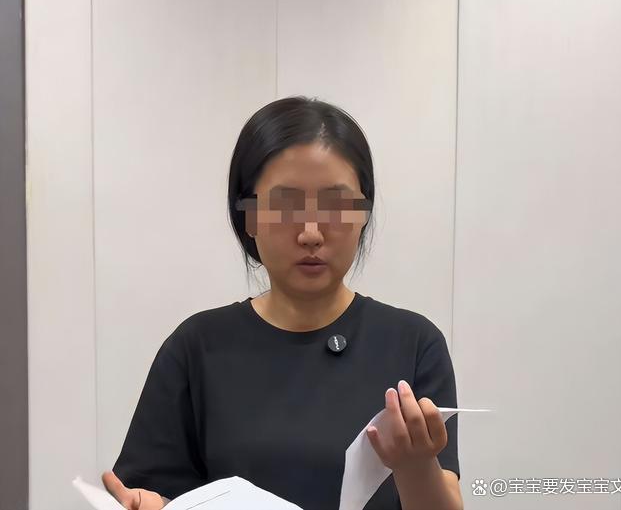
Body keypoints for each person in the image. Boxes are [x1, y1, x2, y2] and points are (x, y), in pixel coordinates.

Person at [102, 96, 463, 510]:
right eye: (284, 206)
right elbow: (151, 494)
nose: (310, 233)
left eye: (335, 206)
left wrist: (415, 467)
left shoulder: (412, 343)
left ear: (363, 214)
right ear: (249, 217)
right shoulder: (197, 347)